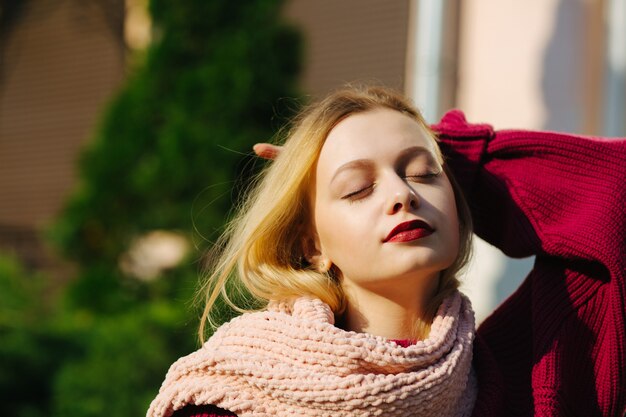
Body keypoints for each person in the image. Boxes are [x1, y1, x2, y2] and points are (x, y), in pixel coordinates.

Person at [147, 86, 626, 417]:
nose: (402, 195)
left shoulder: (534, 370)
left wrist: (460, 157)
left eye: (422, 172)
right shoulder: (231, 395)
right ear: (309, 244)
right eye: (358, 188)